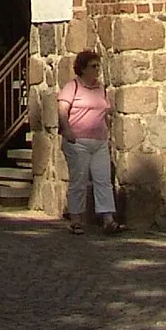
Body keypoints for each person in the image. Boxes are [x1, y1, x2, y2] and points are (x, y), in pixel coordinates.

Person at [57, 47, 121, 234]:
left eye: (98, 66)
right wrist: (67, 130)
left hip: (99, 141)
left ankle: (108, 219)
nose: (97, 70)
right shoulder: (73, 87)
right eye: (93, 66)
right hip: (78, 142)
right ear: (83, 68)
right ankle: (76, 219)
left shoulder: (100, 89)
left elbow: (105, 113)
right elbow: (62, 110)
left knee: (103, 180)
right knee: (79, 180)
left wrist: (108, 133)